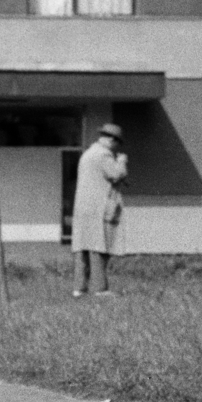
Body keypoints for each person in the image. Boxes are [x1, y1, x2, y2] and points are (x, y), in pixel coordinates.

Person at [71, 122, 127, 297]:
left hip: (84, 208)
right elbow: (117, 174)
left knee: (82, 248)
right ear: (112, 140)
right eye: (117, 143)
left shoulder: (88, 154)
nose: (117, 147)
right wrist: (122, 161)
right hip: (99, 208)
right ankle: (100, 289)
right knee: (99, 249)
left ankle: (79, 289)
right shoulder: (103, 155)